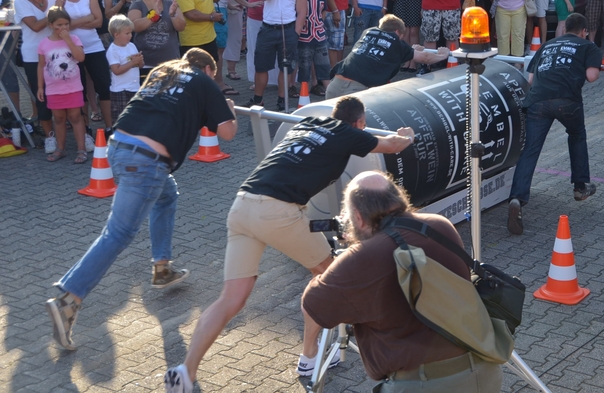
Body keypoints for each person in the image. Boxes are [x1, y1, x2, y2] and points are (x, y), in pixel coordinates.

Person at [163, 96, 414, 392]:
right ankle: (310, 356)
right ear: (360, 123)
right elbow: (393, 145)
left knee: (230, 299)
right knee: (330, 277)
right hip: (278, 211)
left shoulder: (308, 122)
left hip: (242, 204)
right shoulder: (349, 133)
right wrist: (407, 135)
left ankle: (186, 371)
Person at [46, 48, 237, 352]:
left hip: (119, 147)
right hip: (147, 162)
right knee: (118, 233)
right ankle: (69, 298)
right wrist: (228, 108)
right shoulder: (204, 81)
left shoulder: (164, 71)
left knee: (166, 195)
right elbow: (227, 132)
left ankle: (162, 267)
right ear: (207, 69)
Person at [302, 170, 504, 392]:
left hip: (425, 385)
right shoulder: (440, 225)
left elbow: (313, 306)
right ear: (399, 198)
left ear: (357, 217)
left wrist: (337, 264)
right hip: (484, 371)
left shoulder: (361, 257)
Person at [507, 13, 603, 235]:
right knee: (577, 135)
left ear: (564, 29)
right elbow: (591, 76)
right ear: (584, 31)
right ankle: (580, 186)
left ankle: (517, 199)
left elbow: (530, 79)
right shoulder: (588, 46)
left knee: (531, 149)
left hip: (537, 101)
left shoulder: (547, 45)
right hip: (567, 101)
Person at [54, 0, 112, 137]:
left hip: (94, 45)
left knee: (104, 85)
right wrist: (86, 19)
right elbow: (59, 26)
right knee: (80, 90)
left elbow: (99, 21)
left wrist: (72, 24)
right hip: (69, 49)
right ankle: (85, 130)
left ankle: (110, 127)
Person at [245, 0, 307, 112]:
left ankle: (282, 100)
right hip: (267, 28)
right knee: (261, 66)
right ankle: (258, 100)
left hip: (288, 29)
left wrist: (296, 32)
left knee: (285, 68)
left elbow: (302, 11)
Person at [326, 15, 448, 99]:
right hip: (355, 91)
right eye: (401, 36)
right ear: (397, 32)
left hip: (333, 86)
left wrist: (411, 51)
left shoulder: (368, 32)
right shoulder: (396, 41)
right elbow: (425, 58)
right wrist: (443, 55)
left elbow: (380, 51)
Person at [14, 0, 60, 152]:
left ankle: (68, 134)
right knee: (42, 97)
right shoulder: (20, 1)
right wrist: (55, 11)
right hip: (33, 56)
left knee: (62, 93)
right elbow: (35, 26)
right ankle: (50, 137)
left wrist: (57, 8)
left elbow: (62, 23)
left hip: (57, 53)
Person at [37, 6, 87, 163]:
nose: (63, 28)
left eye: (66, 24)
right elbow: (41, 65)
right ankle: (60, 149)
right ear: (50, 25)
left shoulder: (75, 39)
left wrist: (68, 40)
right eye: (59, 25)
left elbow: (80, 57)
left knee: (75, 117)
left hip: (73, 87)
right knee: (58, 118)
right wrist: (40, 87)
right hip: (53, 89)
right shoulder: (43, 44)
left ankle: (81, 149)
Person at [206, 0, 255, 91]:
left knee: (219, 48)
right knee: (219, 49)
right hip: (217, 8)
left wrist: (231, 5)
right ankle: (218, 84)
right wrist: (247, 4)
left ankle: (216, 82)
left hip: (221, 6)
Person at [172, 0, 225, 70]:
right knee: (194, 73)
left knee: (212, 69)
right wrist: (211, 17)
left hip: (209, 36)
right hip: (193, 41)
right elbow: (190, 14)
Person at [129, 0, 185, 78]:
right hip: (146, 63)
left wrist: (173, 15)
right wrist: (154, 15)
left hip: (170, 62)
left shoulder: (170, 4)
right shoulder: (137, 5)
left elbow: (181, 27)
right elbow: (134, 26)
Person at [297, 0, 330, 97]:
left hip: (319, 34)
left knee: (323, 63)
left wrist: (320, 23)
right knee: (304, 64)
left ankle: (330, 91)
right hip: (305, 35)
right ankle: (304, 92)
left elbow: (324, 10)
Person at [105, 15, 143, 122]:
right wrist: (132, 62)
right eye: (127, 33)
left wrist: (139, 60)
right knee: (121, 120)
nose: (130, 35)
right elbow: (116, 70)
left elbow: (140, 66)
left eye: (131, 32)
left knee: (135, 119)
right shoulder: (113, 50)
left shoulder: (132, 46)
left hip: (134, 88)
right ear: (116, 34)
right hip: (120, 91)